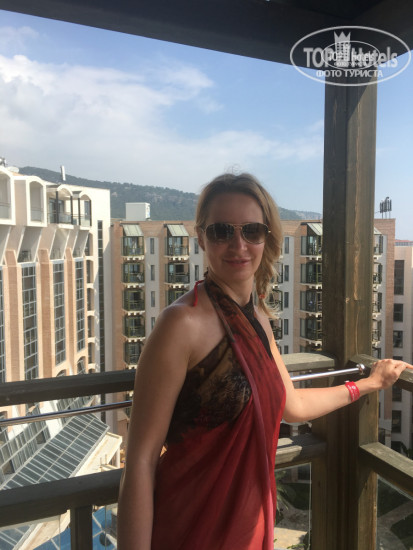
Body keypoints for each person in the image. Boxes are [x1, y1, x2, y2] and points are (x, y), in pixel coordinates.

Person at [117, 172, 412, 550]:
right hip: (191, 528)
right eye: (222, 231)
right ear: (201, 237)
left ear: (267, 238)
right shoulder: (181, 324)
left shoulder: (257, 318)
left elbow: (293, 405)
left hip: (250, 527)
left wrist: (368, 384)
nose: (238, 245)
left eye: (252, 231)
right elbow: (140, 462)